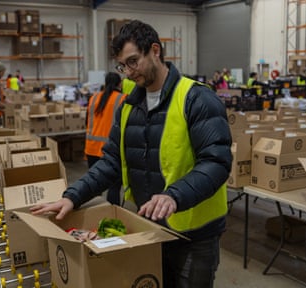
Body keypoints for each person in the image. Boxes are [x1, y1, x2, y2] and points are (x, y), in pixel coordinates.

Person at [31, 20, 232, 288]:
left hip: (194, 235)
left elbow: (217, 162)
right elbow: (112, 162)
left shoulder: (196, 99)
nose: (128, 72)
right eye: (122, 66)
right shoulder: (129, 106)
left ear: (155, 51)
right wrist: (73, 197)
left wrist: (175, 195)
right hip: (150, 227)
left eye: (133, 61)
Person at [85, 72, 127, 205]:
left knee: (95, 186)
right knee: (114, 188)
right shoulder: (123, 99)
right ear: (119, 84)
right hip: (111, 151)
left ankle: (94, 214)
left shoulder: (93, 98)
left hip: (91, 149)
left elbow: (87, 121)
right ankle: (112, 215)